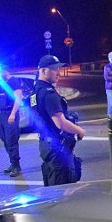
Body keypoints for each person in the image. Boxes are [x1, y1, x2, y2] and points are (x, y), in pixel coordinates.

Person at [31, 54, 86, 187]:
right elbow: (60, 123)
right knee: (63, 191)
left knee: (52, 186)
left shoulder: (36, 91)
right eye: (54, 69)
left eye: (58, 69)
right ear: (43, 71)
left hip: (46, 144)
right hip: (57, 147)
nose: (58, 73)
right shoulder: (49, 94)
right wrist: (79, 131)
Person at [0, 66, 24, 177]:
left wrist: (12, 114)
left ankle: (16, 165)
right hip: (2, 114)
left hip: (10, 113)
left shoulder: (14, 81)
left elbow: (18, 98)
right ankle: (12, 163)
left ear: (5, 71)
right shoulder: (1, 82)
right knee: (4, 138)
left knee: (11, 139)